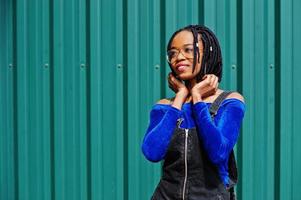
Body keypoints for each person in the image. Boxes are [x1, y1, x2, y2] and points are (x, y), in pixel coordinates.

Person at [141, 25, 246, 200]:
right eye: (173, 53)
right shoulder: (165, 105)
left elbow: (218, 152)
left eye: (188, 50)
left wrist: (197, 98)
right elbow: (152, 152)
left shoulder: (230, 101)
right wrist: (180, 97)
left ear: (207, 53)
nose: (179, 57)